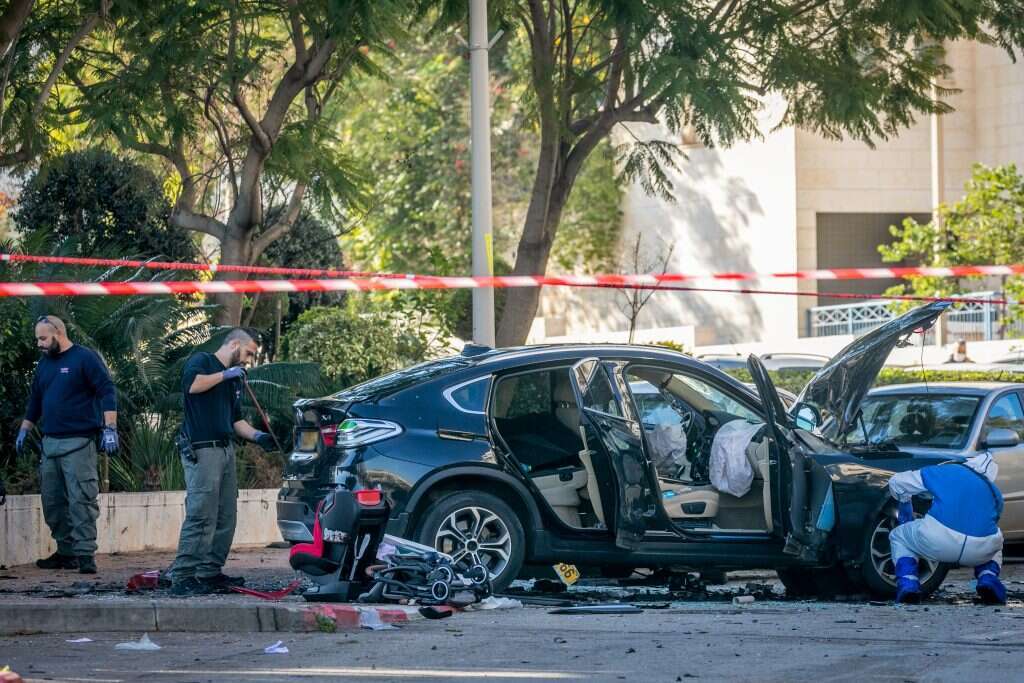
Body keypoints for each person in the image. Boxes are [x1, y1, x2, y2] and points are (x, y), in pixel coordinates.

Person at [170, 328, 278, 597]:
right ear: (234, 344)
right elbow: (193, 385)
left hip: (225, 449)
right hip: (202, 449)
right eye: (248, 353)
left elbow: (236, 420)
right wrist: (226, 374)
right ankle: (183, 576)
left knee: (226, 515)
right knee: (201, 514)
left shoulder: (233, 380)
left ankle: (209, 572)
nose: (248, 360)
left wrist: (259, 437)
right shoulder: (202, 361)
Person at [15, 315, 118, 574]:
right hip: (50, 443)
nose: (39, 343)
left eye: (43, 338)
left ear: (58, 333)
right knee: (52, 503)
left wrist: (110, 428)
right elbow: (36, 400)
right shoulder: (44, 364)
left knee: (81, 500)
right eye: (37, 339)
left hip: (79, 442)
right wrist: (25, 429)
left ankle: (85, 554)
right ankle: (66, 552)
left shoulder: (84, 358)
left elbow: (107, 390)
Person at [888, 452, 1005, 605]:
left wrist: (904, 502)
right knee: (996, 539)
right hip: (980, 552)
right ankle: (988, 578)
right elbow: (990, 522)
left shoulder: (946, 471)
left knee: (898, 536)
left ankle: (908, 584)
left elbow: (897, 481)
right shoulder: (994, 491)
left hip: (938, 540)